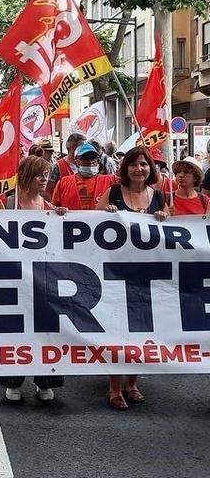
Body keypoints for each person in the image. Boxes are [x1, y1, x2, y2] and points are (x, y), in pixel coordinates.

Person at [96, 146, 168, 410]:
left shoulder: (158, 197)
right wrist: (107, 214)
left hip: (147, 276)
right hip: (115, 274)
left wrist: (164, 218)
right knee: (117, 331)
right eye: (134, 164)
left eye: (144, 164)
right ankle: (114, 388)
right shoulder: (114, 193)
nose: (140, 169)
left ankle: (133, 384)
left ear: (151, 169)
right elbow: (88, 225)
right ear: (125, 169)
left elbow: (170, 234)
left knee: (142, 330)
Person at [0, 156, 66, 401]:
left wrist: (61, 217)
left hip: (42, 279)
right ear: (26, 176)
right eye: (40, 175)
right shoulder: (6, 204)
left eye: (47, 174)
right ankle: (13, 381)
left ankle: (44, 381)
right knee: (15, 331)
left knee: (45, 331)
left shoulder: (48, 207)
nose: (44, 179)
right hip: (13, 278)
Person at [51, 142, 116, 210]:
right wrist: (58, 210)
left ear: (98, 160)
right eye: (85, 158)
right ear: (76, 160)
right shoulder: (63, 183)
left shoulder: (111, 180)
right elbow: (54, 208)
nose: (90, 161)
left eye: (93, 157)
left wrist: (113, 207)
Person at [46, 133, 85, 198]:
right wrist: (55, 207)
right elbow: (48, 191)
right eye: (83, 146)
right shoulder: (58, 166)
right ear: (73, 148)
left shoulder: (85, 165)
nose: (85, 149)